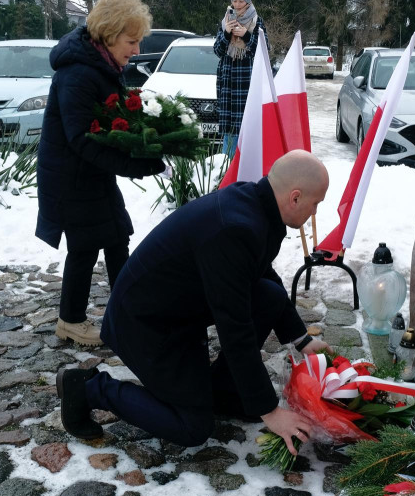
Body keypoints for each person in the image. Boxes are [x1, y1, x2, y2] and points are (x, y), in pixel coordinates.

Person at [56, 150, 332, 453]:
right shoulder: (235, 227)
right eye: (315, 204)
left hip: (179, 312)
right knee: (192, 427)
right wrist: (270, 411)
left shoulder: (256, 207)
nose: (315, 212)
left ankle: (225, 393)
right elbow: (235, 327)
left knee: (269, 295)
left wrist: (301, 339)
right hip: (144, 324)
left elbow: (260, 272)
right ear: (295, 197)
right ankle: (89, 388)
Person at [36, 0, 166, 347]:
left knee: (116, 237)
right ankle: (71, 321)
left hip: (90, 174)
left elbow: (109, 123)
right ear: (109, 35)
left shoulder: (100, 64)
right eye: (131, 41)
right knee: (85, 246)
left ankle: (128, 313)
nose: (137, 50)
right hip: (72, 178)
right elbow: (82, 138)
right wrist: (133, 164)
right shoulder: (79, 73)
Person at [214, 0, 267, 157]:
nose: (237, 5)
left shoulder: (257, 22)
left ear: (248, 1)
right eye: (234, 1)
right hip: (227, 82)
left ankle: (245, 163)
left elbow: (264, 50)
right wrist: (226, 33)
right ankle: (227, 165)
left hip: (247, 80)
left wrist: (246, 35)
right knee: (229, 130)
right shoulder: (225, 21)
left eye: (241, 1)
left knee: (247, 127)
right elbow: (217, 51)